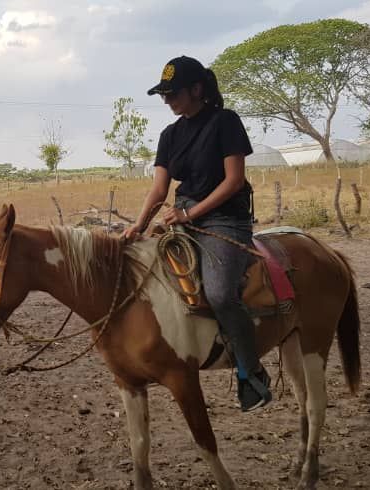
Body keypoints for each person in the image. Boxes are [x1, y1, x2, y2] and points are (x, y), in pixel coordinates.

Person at [123, 56, 272, 412]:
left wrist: (191, 212)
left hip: (224, 218)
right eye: (164, 94)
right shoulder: (170, 135)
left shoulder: (225, 122)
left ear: (197, 89)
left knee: (220, 293)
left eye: (173, 93)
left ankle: (250, 372)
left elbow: (233, 180)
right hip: (182, 218)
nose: (167, 101)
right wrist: (138, 226)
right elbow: (159, 191)